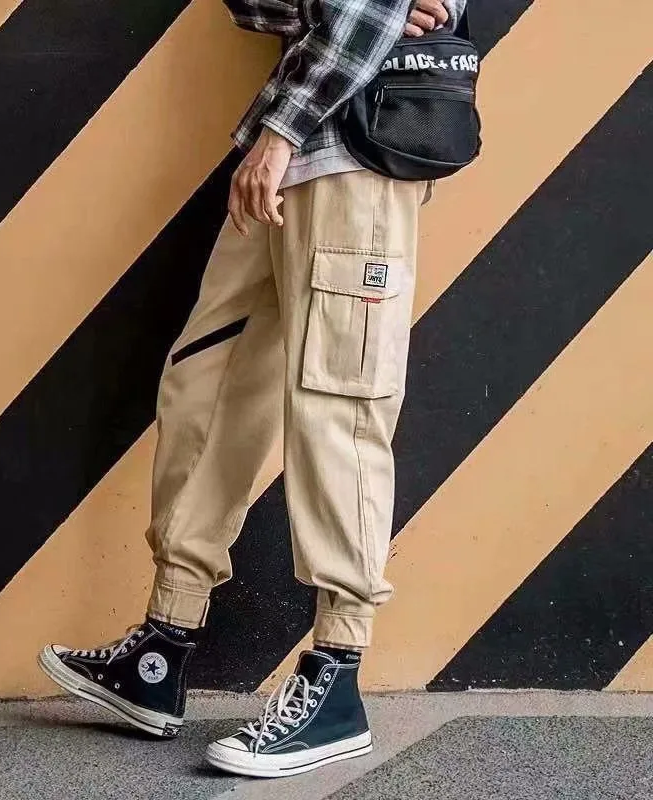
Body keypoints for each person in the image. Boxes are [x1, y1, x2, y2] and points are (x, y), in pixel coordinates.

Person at [38, 0, 464, 778]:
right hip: (294, 153)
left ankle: (338, 678)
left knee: (341, 407)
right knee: (209, 380)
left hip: (353, 154)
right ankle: (164, 644)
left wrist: (283, 129)